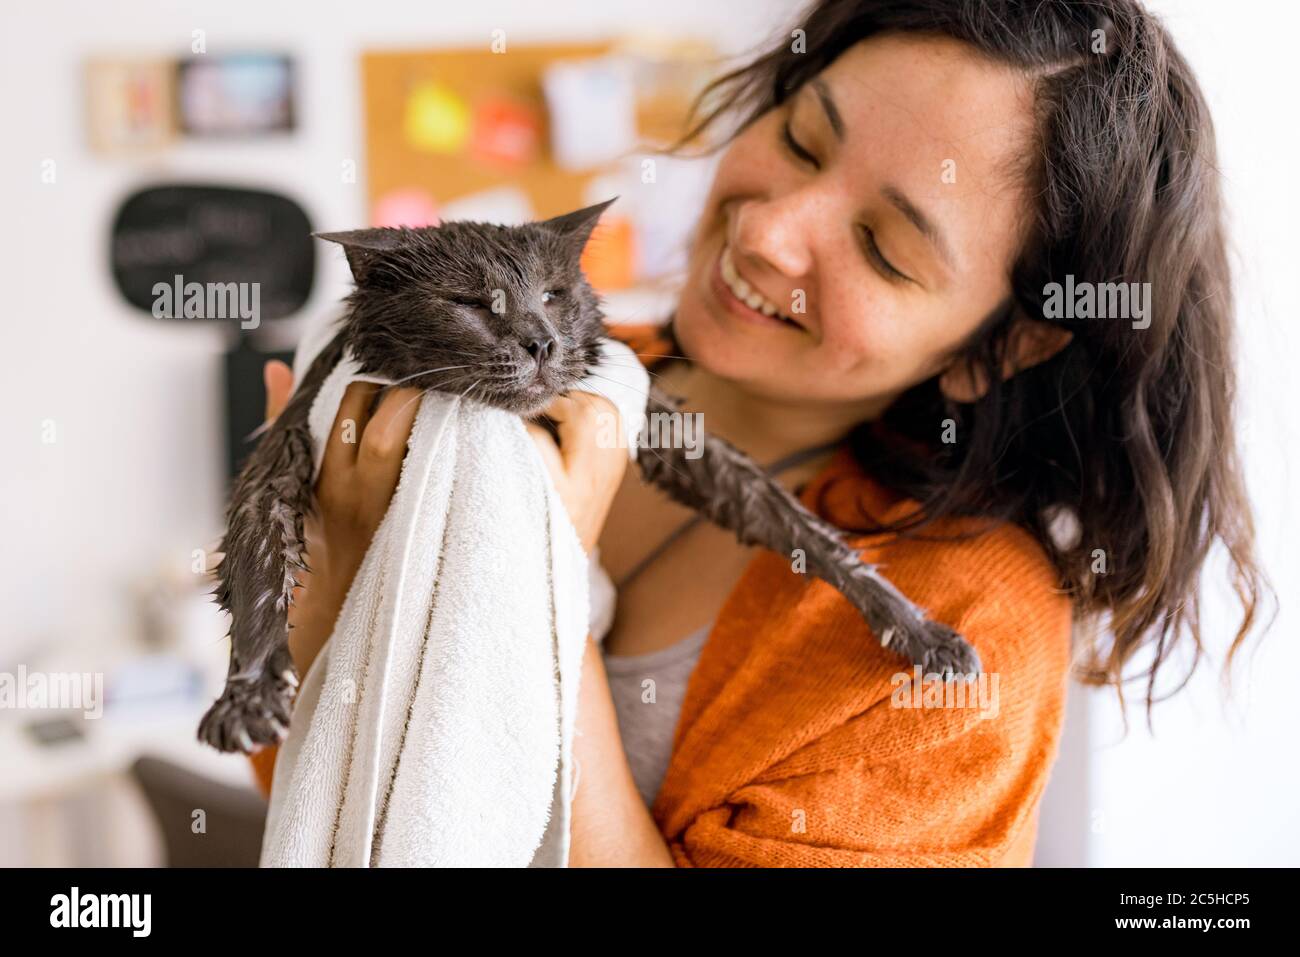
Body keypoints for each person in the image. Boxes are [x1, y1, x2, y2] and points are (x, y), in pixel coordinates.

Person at [248, 0, 1268, 866]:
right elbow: (329, 794)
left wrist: (537, 595)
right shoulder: (535, 383)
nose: (769, 231)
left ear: (996, 347)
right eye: (800, 140)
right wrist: (326, 595)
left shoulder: (960, 629)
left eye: (881, 246)